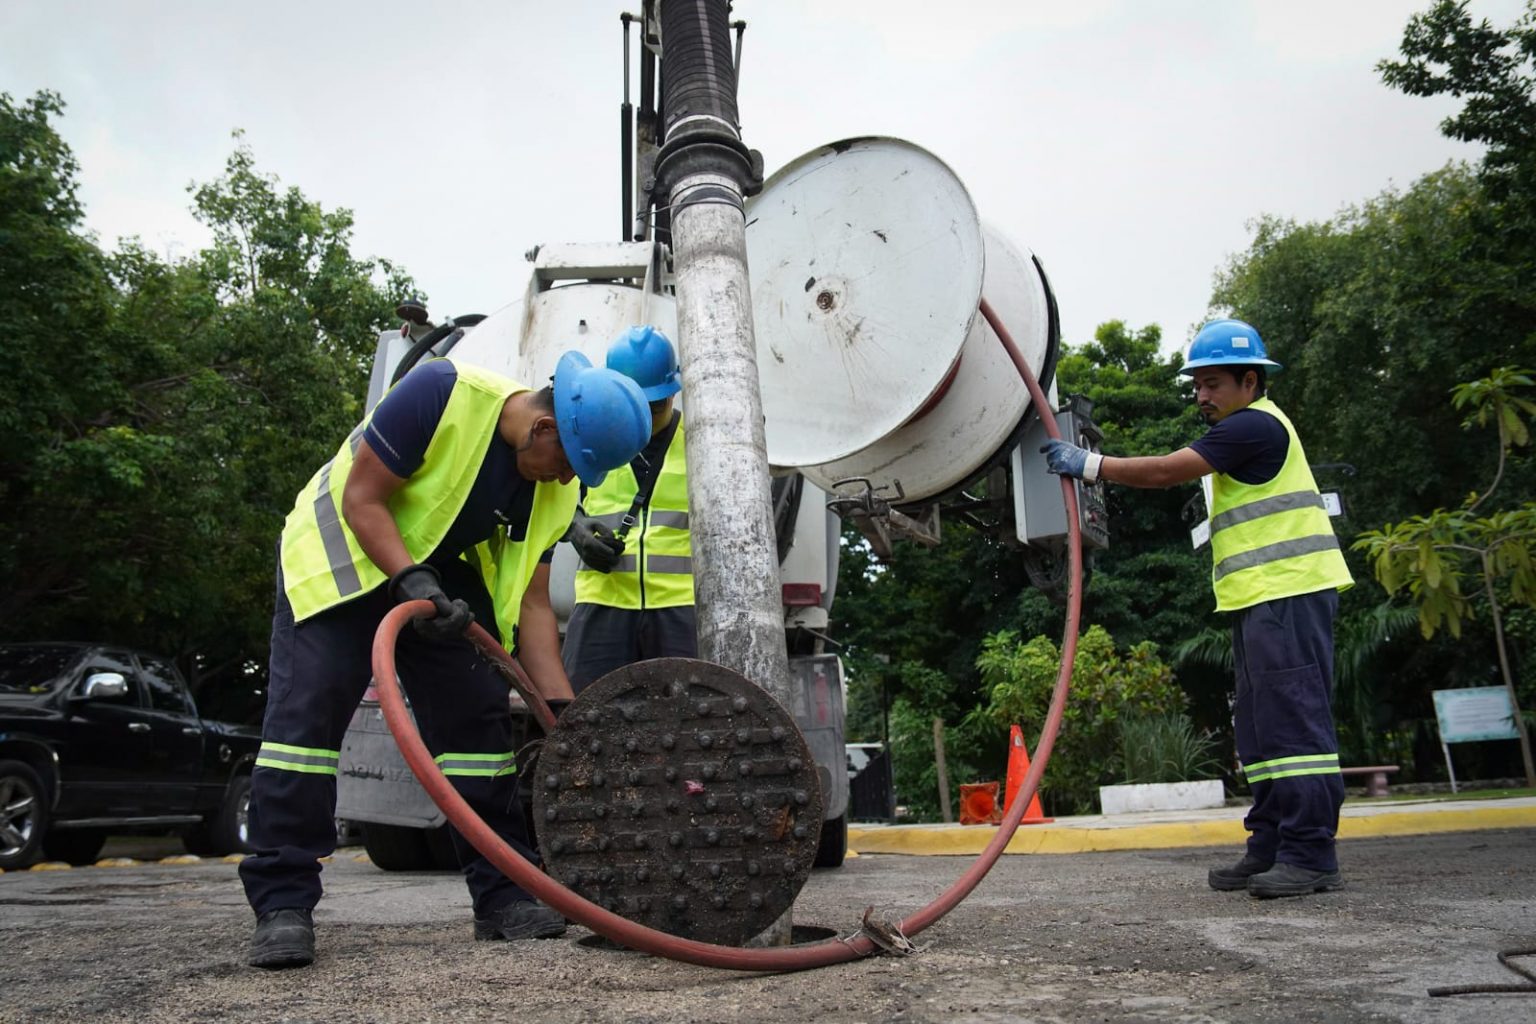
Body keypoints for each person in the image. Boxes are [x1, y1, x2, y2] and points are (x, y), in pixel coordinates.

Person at [239, 350, 652, 968]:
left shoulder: (552, 494)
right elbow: (364, 499)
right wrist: (407, 578)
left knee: (476, 722)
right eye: (567, 461)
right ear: (544, 428)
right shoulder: (441, 390)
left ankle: (505, 896)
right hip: (341, 557)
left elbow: (536, 606)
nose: (567, 479)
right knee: (307, 723)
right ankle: (282, 904)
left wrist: (559, 710)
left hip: (435, 578)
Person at [1041, 318, 1354, 899]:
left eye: (1212, 384)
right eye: (1197, 386)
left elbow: (1165, 470)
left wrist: (1088, 465)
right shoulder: (1245, 430)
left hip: (1289, 592)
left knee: (1294, 728)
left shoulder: (1253, 427)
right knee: (1260, 734)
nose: (1201, 396)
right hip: (1261, 599)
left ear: (1249, 381)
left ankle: (1312, 855)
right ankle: (1269, 849)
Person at [560, 326, 697, 692]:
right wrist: (575, 529)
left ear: (672, 393)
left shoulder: (701, 441)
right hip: (601, 601)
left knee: (694, 727)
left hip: (680, 608)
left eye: (656, 406)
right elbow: (551, 499)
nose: (648, 418)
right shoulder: (590, 432)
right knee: (584, 722)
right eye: (637, 405)